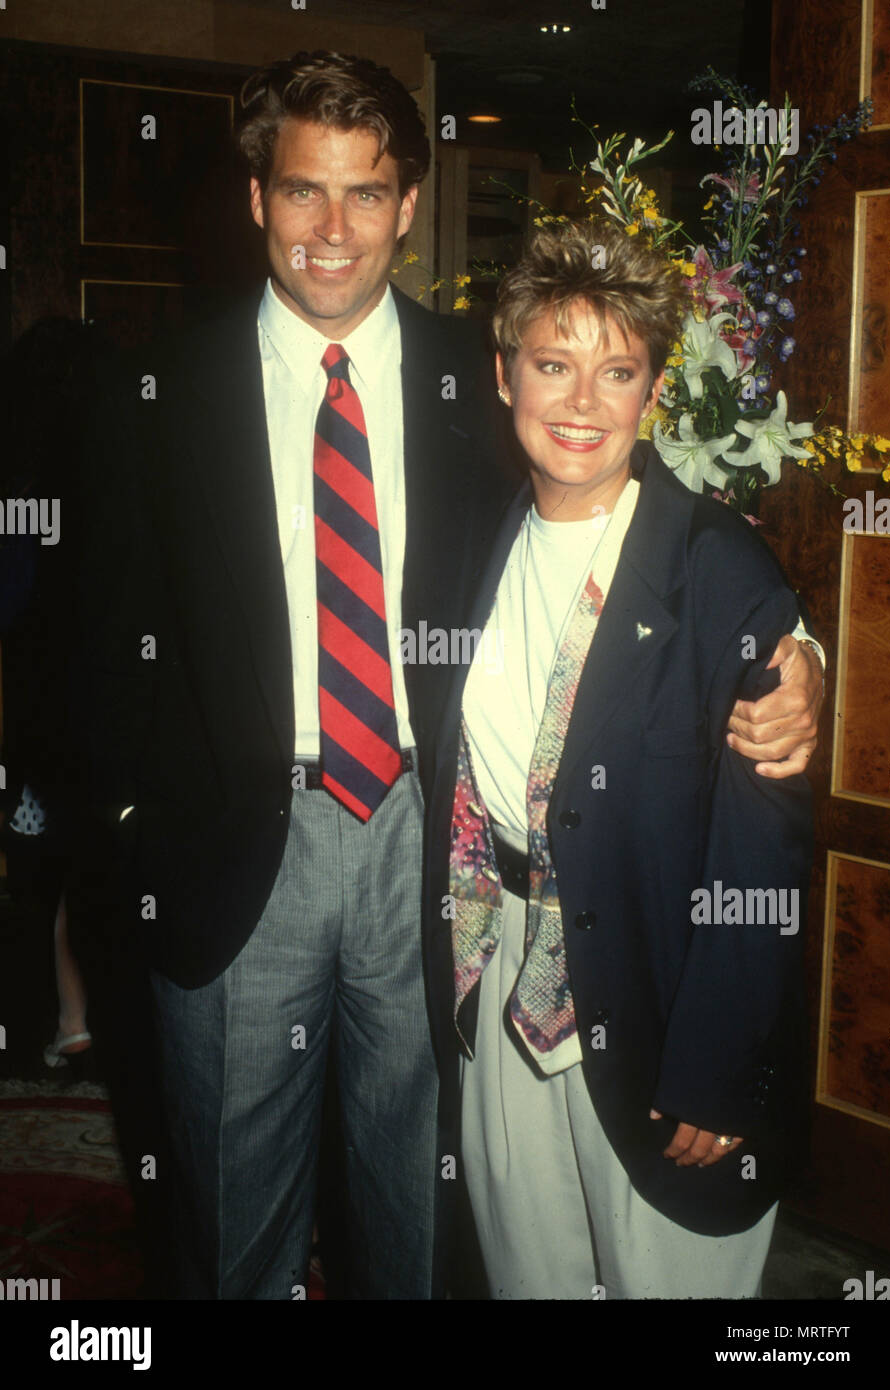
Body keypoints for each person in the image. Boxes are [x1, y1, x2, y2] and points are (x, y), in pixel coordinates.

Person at [70, 53, 822, 1301]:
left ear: (409, 205)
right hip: (234, 859)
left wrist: (789, 650)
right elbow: (92, 653)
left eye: (366, 195)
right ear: (256, 195)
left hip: (433, 856)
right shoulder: (153, 398)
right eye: (303, 190)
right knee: (230, 1229)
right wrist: (144, 834)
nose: (332, 230)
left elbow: (638, 516)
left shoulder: (478, 385)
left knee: (419, 1213)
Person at [422, 217, 816, 1300]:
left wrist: (722, 1064)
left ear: (653, 393)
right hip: (502, 977)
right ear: (505, 376)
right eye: (554, 364)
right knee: (527, 1280)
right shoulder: (471, 540)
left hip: (665, 997)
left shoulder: (716, 566)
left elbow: (764, 851)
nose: (582, 403)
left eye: (617, 371)